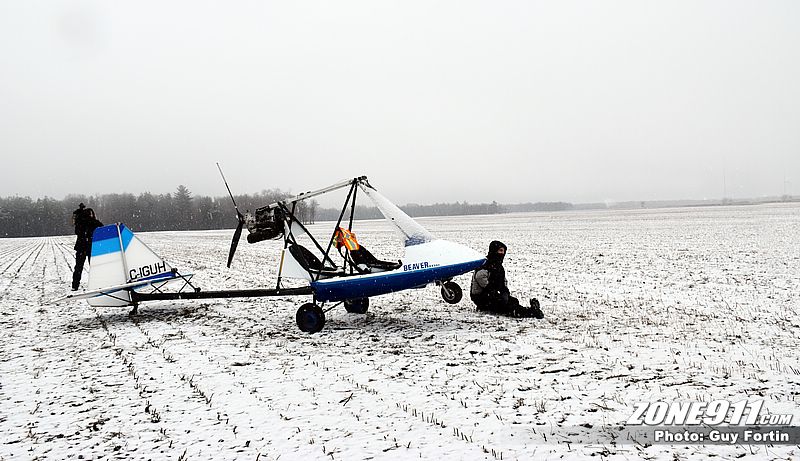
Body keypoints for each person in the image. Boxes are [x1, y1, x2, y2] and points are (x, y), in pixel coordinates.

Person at [470, 240, 544, 318]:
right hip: (481, 296)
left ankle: (530, 310)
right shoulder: (486, 264)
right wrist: (493, 291)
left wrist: (504, 291)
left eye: (503, 251)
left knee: (513, 301)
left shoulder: (498, 266)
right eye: (500, 250)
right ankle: (530, 313)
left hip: (491, 294)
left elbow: (503, 280)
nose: (502, 253)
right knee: (505, 305)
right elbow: (480, 277)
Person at [72, 206, 103, 290]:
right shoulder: (93, 222)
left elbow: (77, 231)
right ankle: (97, 284)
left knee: (78, 267)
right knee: (93, 266)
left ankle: (75, 285)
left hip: (81, 247)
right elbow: (102, 229)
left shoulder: (80, 222)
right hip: (90, 247)